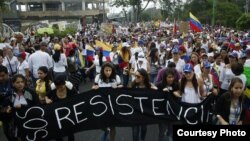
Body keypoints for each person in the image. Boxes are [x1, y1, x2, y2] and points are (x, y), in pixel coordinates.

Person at [92, 62, 122, 141]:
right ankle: (106, 130)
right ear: (103, 70)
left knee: (112, 126)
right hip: (101, 104)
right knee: (100, 124)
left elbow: (122, 87)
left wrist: (118, 87)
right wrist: (94, 87)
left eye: (110, 70)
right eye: (106, 70)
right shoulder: (98, 77)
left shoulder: (116, 77)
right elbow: (93, 86)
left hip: (112, 105)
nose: (108, 72)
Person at [45, 75, 77, 141]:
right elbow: (46, 96)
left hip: (68, 115)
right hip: (57, 116)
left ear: (64, 84)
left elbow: (78, 98)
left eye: (61, 86)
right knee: (58, 133)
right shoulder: (53, 90)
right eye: (57, 86)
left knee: (70, 133)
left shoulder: (71, 90)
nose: (59, 88)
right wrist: (47, 100)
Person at [7, 74, 39, 140]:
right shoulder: (11, 94)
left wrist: (22, 106)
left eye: (22, 82)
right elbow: (11, 107)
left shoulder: (31, 92)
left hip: (32, 121)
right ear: (13, 84)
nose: (20, 84)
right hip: (20, 123)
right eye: (17, 82)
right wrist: (9, 109)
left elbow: (37, 106)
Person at [131, 68, 157, 141]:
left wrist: (156, 90)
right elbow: (127, 94)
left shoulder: (149, 86)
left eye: (138, 77)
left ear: (143, 77)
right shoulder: (133, 85)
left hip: (145, 112)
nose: (136, 78)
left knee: (143, 128)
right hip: (135, 112)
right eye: (135, 76)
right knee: (135, 132)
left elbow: (156, 96)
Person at [156, 68, 180, 141]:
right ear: (165, 77)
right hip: (162, 112)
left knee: (171, 130)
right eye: (169, 77)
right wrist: (161, 93)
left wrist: (177, 93)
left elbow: (179, 95)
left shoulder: (176, 85)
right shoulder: (160, 85)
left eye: (172, 77)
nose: (171, 79)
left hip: (172, 111)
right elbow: (155, 97)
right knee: (161, 131)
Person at [0, 65, 14, 141]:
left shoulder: (14, 81)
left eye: (2, 76)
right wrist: (4, 109)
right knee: (7, 132)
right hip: (3, 113)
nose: (0, 78)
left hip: (15, 110)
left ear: (7, 74)